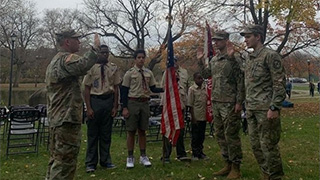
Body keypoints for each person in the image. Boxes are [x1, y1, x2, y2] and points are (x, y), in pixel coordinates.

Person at [45, 30, 100, 180]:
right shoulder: (66, 60)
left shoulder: (55, 61)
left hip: (58, 120)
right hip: (66, 120)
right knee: (65, 163)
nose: (80, 42)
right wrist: (95, 49)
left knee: (56, 160)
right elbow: (83, 65)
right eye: (77, 39)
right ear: (67, 41)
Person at [240, 24, 286, 180]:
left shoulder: (270, 55)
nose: (245, 40)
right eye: (244, 37)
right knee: (255, 145)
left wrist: (274, 107)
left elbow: (279, 83)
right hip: (251, 108)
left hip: (266, 109)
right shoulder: (249, 57)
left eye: (248, 36)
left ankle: (276, 176)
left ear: (258, 36)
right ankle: (266, 174)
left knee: (268, 146)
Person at [200, 31, 245, 179]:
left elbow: (240, 80)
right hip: (217, 101)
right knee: (219, 134)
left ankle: (236, 167)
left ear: (226, 41)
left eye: (218, 40)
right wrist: (201, 62)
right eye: (214, 41)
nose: (215, 43)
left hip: (230, 103)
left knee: (231, 135)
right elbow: (206, 75)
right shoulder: (215, 60)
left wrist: (239, 102)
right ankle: (227, 163)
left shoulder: (234, 58)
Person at [121, 49, 163, 168]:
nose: (141, 59)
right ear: (135, 59)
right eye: (138, 57)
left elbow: (153, 88)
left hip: (145, 103)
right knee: (131, 131)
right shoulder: (129, 73)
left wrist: (165, 88)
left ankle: (143, 156)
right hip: (133, 102)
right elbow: (124, 91)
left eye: (143, 57)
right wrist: (124, 107)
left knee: (142, 130)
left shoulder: (149, 73)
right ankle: (130, 157)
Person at [83, 45, 121, 172]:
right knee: (93, 134)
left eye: (107, 52)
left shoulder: (113, 68)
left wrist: (115, 106)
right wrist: (88, 107)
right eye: (102, 52)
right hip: (95, 101)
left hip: (108, 100)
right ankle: (90, 163)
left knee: (106, 134)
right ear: (98, 53)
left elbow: (116, 88)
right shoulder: (91, 68)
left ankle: (105, 161)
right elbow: (86, 88)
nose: (105, 55)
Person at [161, 56, 190, 162]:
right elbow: (163, 88)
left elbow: (187, 88)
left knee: (181, 129)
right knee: (168, 129)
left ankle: (181, 153)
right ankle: (166, 155)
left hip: (181, 104)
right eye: (172, 61)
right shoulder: (167, 73)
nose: (174, 63)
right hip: (169, 105)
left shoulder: (184, 72)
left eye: (175, 60)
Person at [187, 72, 208, 160]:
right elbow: (190, 105)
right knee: (195, 136)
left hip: (203, 115)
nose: (201, 80)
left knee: (201, 135)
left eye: (201, 78)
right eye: (198, 78)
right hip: (196, 116)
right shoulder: (192, 89)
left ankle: (200, 152)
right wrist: (193, 117)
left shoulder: (205, 88)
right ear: (195, 79)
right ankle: (195, 153)